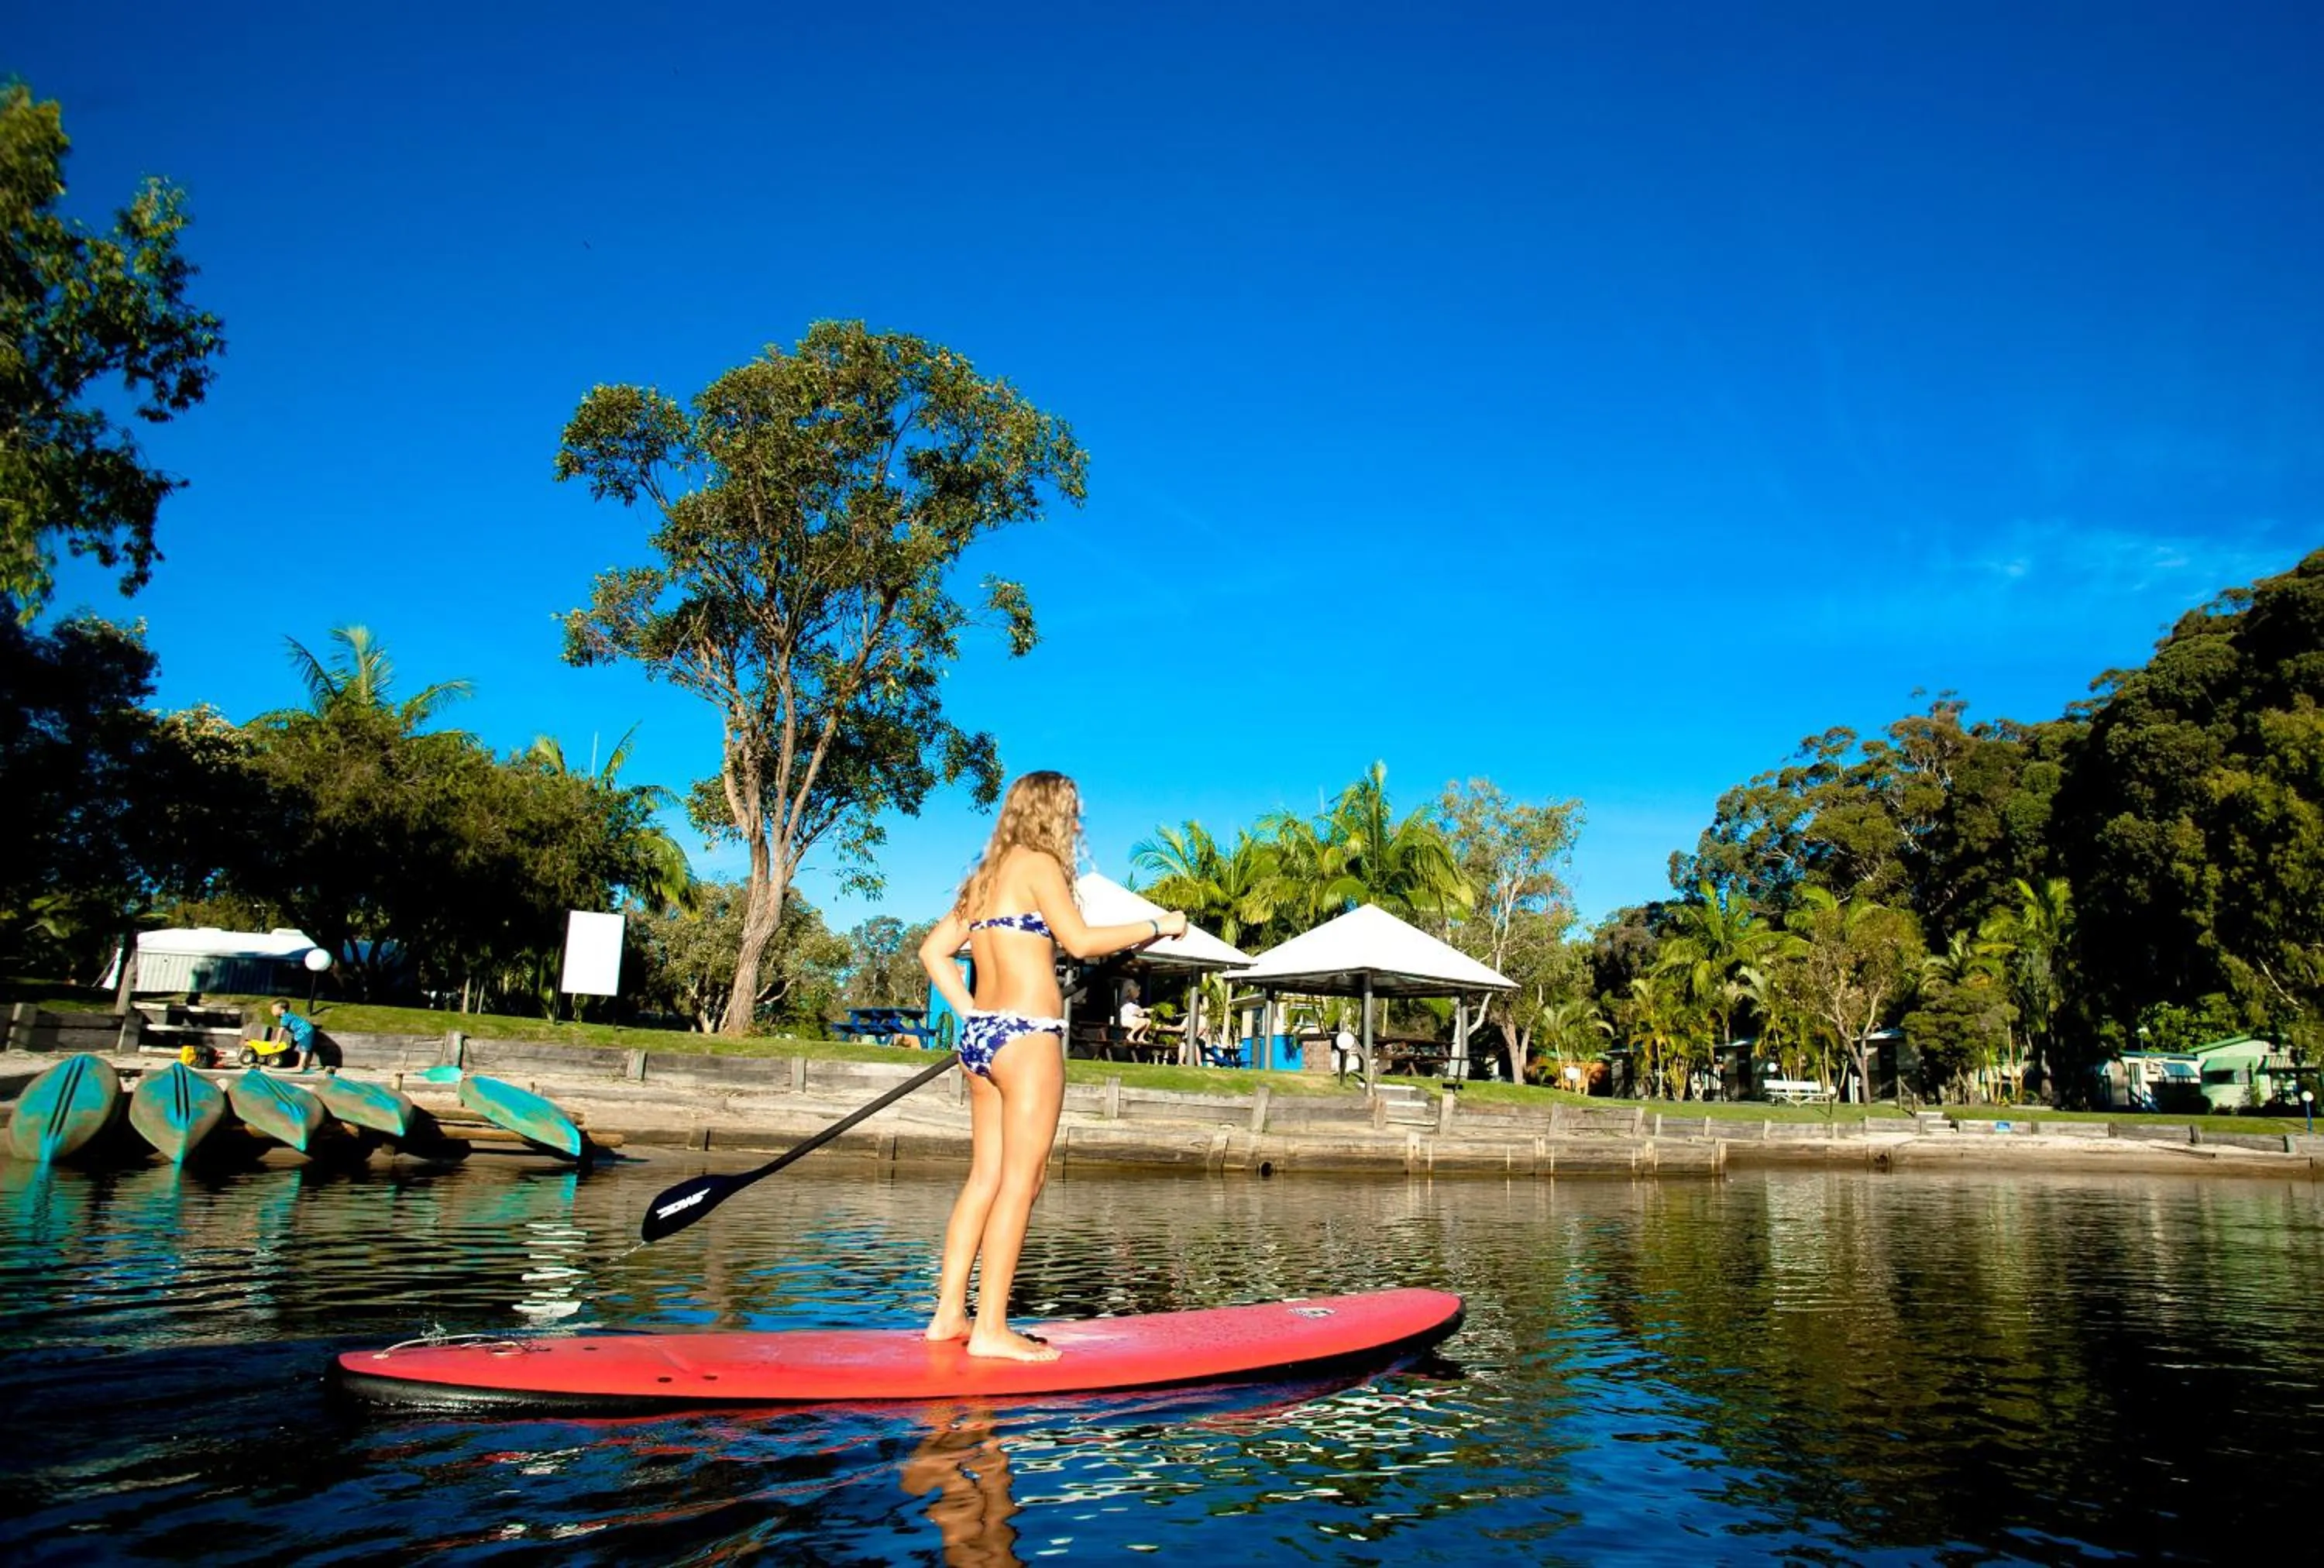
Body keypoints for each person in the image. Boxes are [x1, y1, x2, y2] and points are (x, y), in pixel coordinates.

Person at [916, 772, 1188, 1363]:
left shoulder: (985, 877)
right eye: (1074, 811)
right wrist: (1158, 925)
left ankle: (947, 1316)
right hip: (1028, 1038)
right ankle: (990, 1328)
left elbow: (932, 951)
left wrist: (970, 1015)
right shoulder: (1038, 864)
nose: (1079, 822)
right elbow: (1080, 940)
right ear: (1051, 813)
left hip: (984, 1038)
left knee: (984, 1177)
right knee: (1023, 1181)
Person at [268, 999, 321, 1071]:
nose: (272, 1011)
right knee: (305, 1049)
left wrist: (278, 1041)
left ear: (282, 1010)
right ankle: (306, 1065)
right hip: (306, 1031)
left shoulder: (285, 1017)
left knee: (303, 1049)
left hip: (304, 1031)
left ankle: (300, 1066)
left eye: (274, 1009)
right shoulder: (287, 1016)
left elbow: (281, 1030)